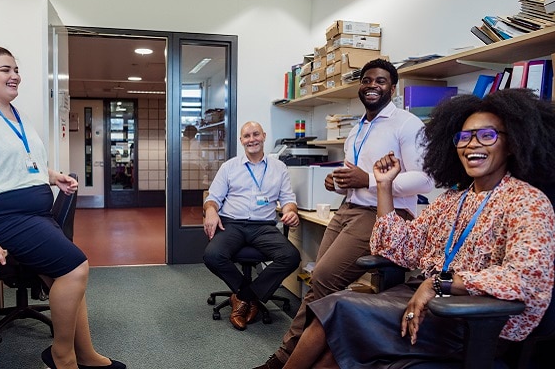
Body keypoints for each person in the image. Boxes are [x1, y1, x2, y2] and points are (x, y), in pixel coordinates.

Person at [281, 88, 555, 368]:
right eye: (464, 137)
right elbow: (397, 245)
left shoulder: (527, 201)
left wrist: (439, 283)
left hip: (471, 320)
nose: (472, 144)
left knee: (338, 310)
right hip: (424, 299)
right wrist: (384, 185)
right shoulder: (452, 199)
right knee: (335, 343)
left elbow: (525, 279)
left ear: (511, 144)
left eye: (487, 135)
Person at [255, 58, 434, 368]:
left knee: (324, 280)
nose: (372, 86)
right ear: (359, 86)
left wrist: (368, 180)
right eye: (366, 80)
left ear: (393, 87)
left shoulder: (406, 123)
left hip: (382, 216)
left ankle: (284, 358)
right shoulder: (355, 130)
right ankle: (308, 355)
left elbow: (426, 180)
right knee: (317, 281)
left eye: (380, 81)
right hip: (348, 209)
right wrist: (338, 182)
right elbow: (354, 177)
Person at [0, 46, 125, 369]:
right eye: (5, 69)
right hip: (1, 215)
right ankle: (61, 356)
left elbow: (21, 164)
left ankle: (85, 353)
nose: (15, 75)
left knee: (68, 275)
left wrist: (52, 176)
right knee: (76, 268)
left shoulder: (14, 113)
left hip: (32, 214)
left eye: (16, 69)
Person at [203, 121, 301, 330]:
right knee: (212, 255)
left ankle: (244, 297)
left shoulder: (279, 168)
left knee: (291, 256)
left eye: (255, 134)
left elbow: (288, 200)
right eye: (246, 136)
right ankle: (251, 297)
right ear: (241, 141)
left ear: (264, 136)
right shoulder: (229, 167)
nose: (251, 139)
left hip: (263, 226)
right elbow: (213, 198)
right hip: (233, 224)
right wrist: (211, 210)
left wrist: (291, 211)